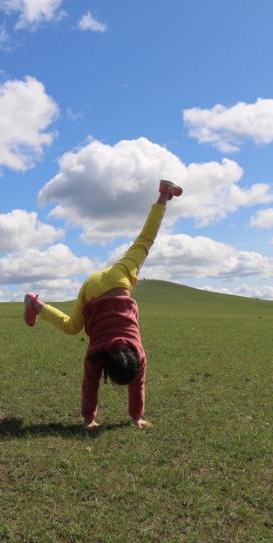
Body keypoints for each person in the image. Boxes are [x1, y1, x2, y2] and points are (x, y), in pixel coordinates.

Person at [23, 180, 183, 430]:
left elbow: (93, 384)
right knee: (70, 326)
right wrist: (134, 417)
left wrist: (91, 419)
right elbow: (115, 385)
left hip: (114, 278)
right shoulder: (106, 354)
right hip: (103, 284)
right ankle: (35, 303)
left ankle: (163, 196)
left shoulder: (122, 354)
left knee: (144, 242)